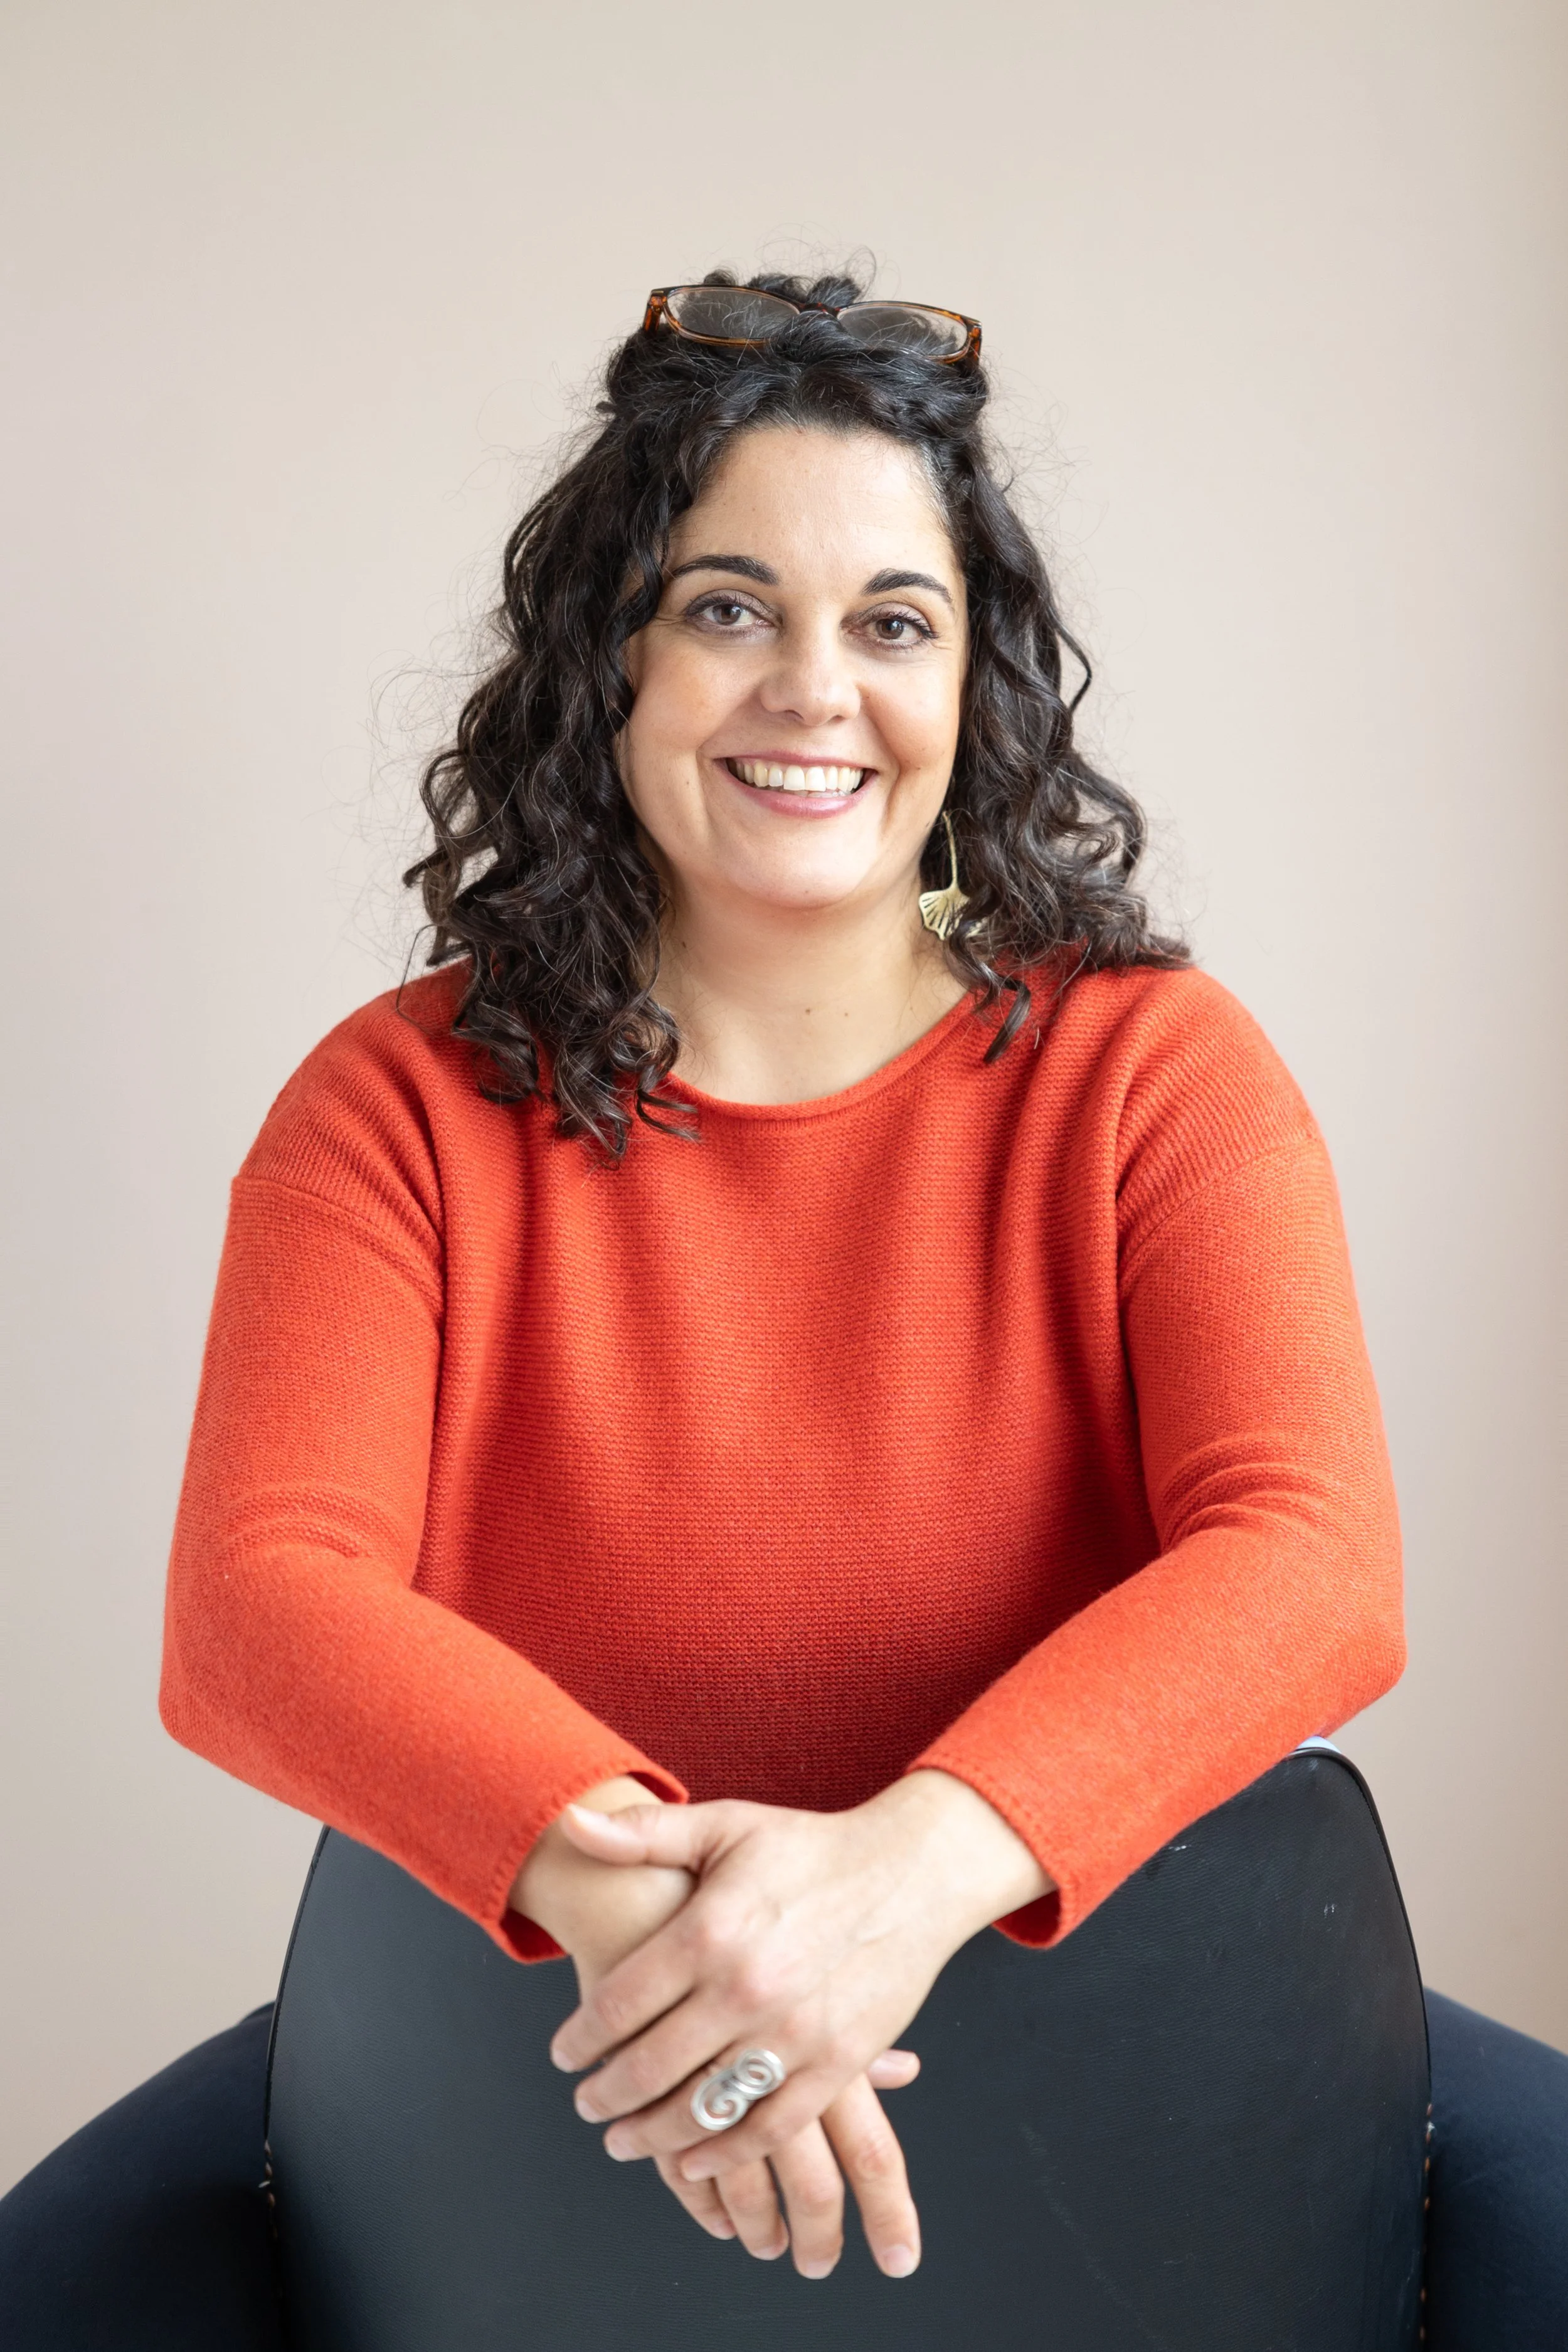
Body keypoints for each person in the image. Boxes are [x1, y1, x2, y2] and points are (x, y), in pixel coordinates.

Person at [22, 264, 1550, 2344]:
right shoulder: (389, 1106)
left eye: (890, 623)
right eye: (727, 606)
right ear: (609, 664)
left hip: (1146, 2050)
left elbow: (1311, 1562)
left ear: (971, 681)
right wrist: (698, 1949)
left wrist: (896, 1884)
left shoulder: (1154, 1069)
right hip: (543, 2054)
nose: (811, 687)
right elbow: (254, 1606)